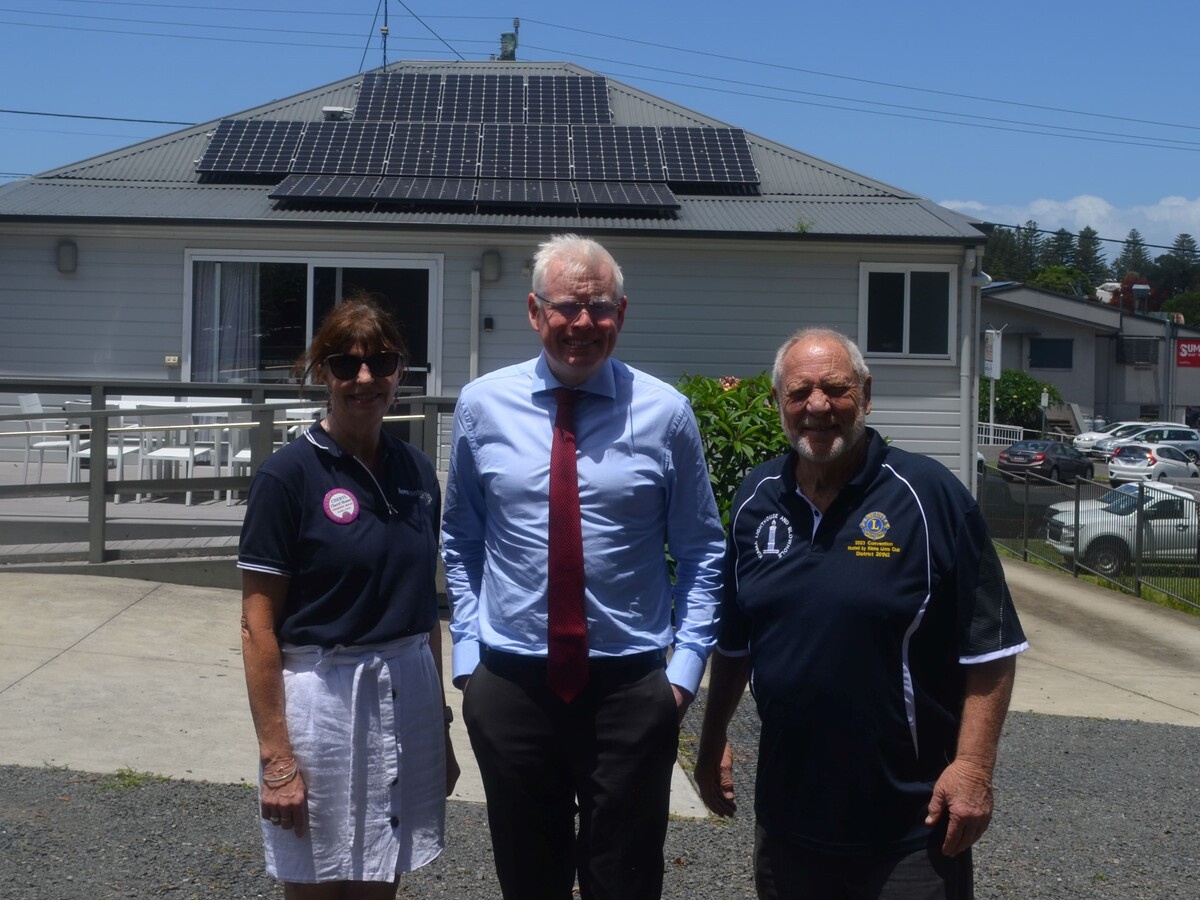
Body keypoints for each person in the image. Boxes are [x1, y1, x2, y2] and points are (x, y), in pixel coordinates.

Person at [695, 327, 1028, 899]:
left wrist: (973, 769)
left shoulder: (929, 497)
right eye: (799, 393)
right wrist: (710, 743)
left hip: (910, 827)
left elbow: (989, 648)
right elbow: (735, 641)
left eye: (835, 389)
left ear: (866, 395)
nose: (817, 406)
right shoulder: (756, 497)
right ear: (778, 403)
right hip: (788, 825)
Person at [441, 234, 725, 899]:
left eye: (599, 309)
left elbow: (703, 551)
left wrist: (680, 677)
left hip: (629, 689)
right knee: (528, 878)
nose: (582, 325)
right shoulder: (482, 407)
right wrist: (469, 662)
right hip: (511, 685)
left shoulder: (665, 414)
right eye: (567, 308)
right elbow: (461, 538)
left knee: (623, 880)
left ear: (621, 315)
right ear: (536, 313)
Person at [238, 297, 459, 899]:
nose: (365, 379)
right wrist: (276, 757)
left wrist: (439, 730)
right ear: (322, 374)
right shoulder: (288, 476)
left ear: (399, 372)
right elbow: (257, 626)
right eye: (345, 364)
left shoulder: (416, 472)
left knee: (382, 876)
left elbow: (424, 615)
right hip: (324, 702)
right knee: (316, 877)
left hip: (405, 691)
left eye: (381, 362)